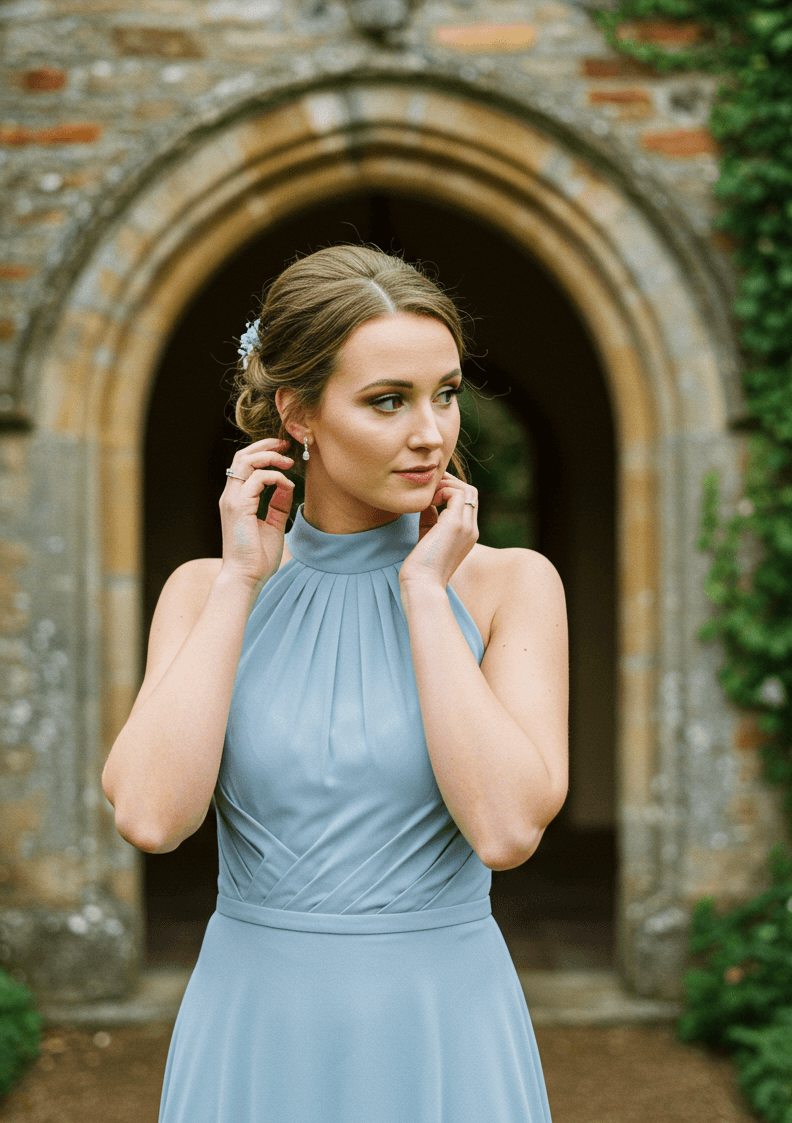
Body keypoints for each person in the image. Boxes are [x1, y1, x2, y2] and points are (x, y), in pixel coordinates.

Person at [101, 244, 569, 1123]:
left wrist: (425, 594)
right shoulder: (205, 593)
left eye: (446, 392)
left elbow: (507, 830)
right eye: (388, 401)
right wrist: (243, 580)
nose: (431, 432)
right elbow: (152, 819)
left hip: (446, 1026)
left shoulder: (512, 586)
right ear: (299, 413)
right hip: (254, 1026)